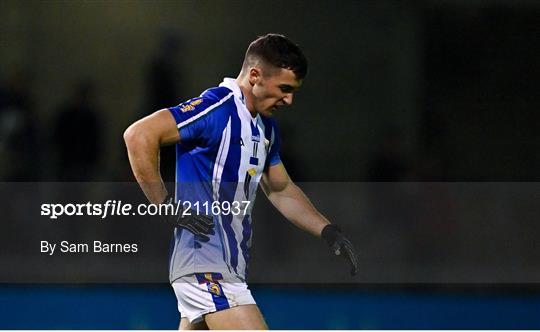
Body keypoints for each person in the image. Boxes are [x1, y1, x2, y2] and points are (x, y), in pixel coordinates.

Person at [124, 33, 358, 330]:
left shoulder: (265, 128)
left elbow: (281, 189)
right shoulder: (217, 107)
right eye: (284, 88)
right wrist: (165, 205)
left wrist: (328, 231)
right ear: (255, 75)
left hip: (229, 268)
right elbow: (138, 135)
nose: (289, 99)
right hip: (205, 265)